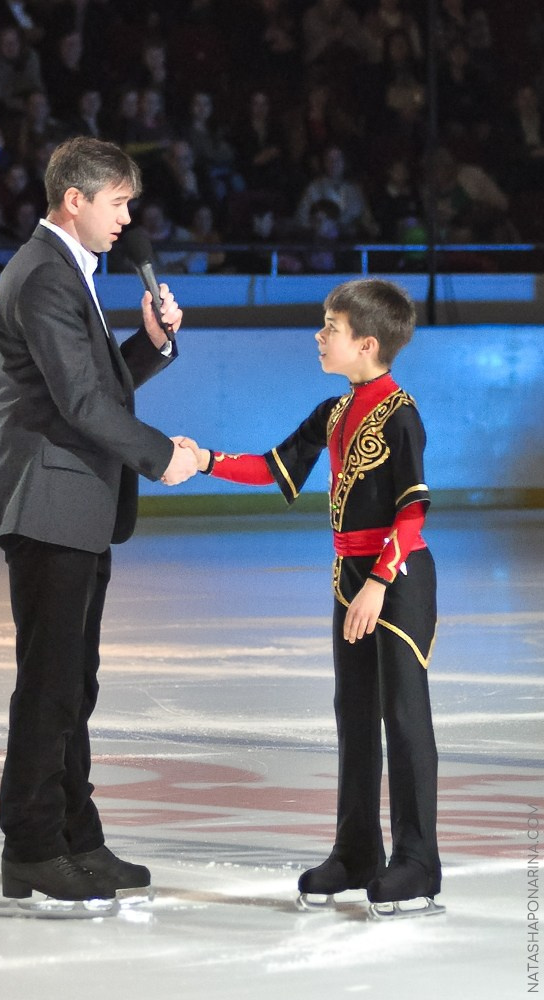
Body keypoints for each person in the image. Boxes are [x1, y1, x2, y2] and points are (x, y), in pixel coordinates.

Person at [0, 136, 198, 907]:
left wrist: (151, 347)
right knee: (51, 684)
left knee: (74, 682)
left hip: (72, 505)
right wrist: (160, 455)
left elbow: (91, 386)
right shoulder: (44, 275)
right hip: (48, 502)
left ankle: (76, 835)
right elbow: (78, 403)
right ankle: (33, 846)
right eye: (118, 203)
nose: (126, 218)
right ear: (75, 199)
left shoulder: (65, 271)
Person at [179, 279, 442, 916]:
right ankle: (356, 852)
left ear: (367, 344)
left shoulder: (400, 414)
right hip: (349, 579)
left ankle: (417, 863)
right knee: (354, 716)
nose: (319, 336)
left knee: (404, 717)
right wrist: (206, 458)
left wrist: (379, 582)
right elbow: (275, 466)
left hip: (397, 581)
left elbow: (413, 512)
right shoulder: (333, 411)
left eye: (331, 327)